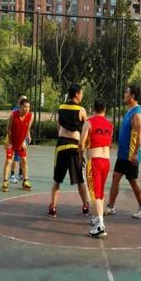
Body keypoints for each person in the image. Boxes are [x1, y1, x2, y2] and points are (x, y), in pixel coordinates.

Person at [105, 86, 141, 219]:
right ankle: (111, 206)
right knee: (115, 177)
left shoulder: (137, 114)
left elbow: (139, 136)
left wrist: (134, 154)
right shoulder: (129, 111)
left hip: (131, 155)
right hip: (122, 155)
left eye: (126, 92)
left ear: (133, 96)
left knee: (133, 181)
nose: (124, 94)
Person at [48, 84, 90, 217]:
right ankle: (85, 206)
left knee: (57, 180)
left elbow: (58, 127)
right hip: (74, 147)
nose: (82, 95)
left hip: (61, 146)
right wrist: (85, 146)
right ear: (76, 94)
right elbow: (87, 129)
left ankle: (53, 208)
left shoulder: (61, 108)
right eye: (81, 93)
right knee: (80, 180)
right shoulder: (81, 110)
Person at [79, 100, 113, 238]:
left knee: (94, 194)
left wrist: (80, 156)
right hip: (106, 161)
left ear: (93, 109)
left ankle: (100, 225)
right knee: (100, 193)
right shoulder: (109, 125)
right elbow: (108, 142)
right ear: (105, 109)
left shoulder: (89, 122)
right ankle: (97, 217)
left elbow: (81, 143)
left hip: (95, 161)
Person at [1, 98, 34, 192]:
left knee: (24, 160)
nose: (27, 109)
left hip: (21, 142)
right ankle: (5, 181)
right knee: (8, 161)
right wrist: (9, 141)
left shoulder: (30, 116)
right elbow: (8, 129)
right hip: (11, 141)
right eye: (25, 107)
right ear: (20, 107)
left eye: (28, 107)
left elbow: (27, 129)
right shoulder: (13, 115)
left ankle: (25, 181)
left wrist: (23, 141)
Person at [10, 94, 28, 184]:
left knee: (23, 157)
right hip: (16, 138)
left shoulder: (26, 112)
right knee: (16, 157)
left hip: (23, 137)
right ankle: (12, 175)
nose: (25, 102)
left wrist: (28, 135)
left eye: (26, 100)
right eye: (23, 100)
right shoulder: (15, 112)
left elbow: (26, 125)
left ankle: (21, 174)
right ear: (19, 102)